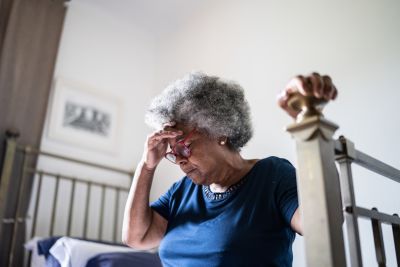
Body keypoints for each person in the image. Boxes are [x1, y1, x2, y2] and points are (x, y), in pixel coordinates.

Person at [122, 72, 338, 267]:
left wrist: (306, 121)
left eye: (184, 147)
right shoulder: (182, 191)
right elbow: (136, 238)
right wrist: (147, 166)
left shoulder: (272, 175)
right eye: (172, 152)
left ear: (220, 132)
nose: (178, 160)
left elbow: (321, 223)